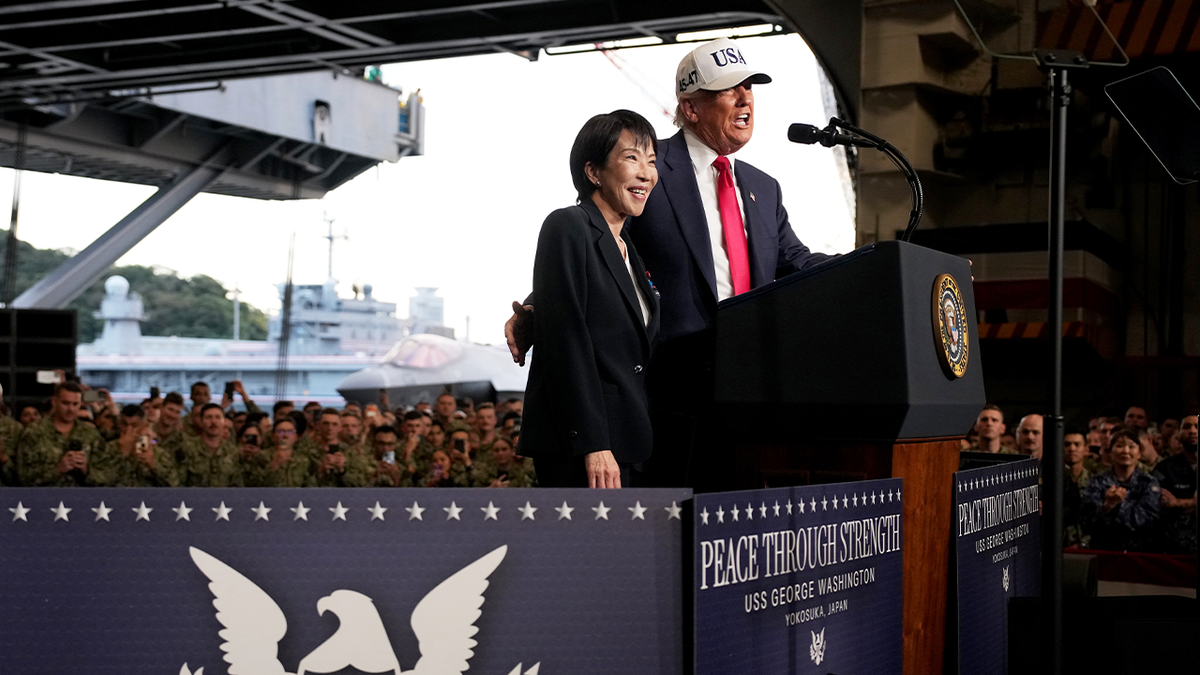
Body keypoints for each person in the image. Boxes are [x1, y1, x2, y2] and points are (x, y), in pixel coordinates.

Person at [508, 38, 830, 489]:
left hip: (743, 392)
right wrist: (537, 308)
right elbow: (592, 243)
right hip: (665, 398)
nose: (745, 99)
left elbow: (795, 260)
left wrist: (873, 267)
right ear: (691, 107)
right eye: (729, 89)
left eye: (750, 88)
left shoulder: (764, 187)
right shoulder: (645, 167)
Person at [518, 109, 661, 489]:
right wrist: (593, 444)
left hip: (628, 441)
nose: (646, 173)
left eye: (651, 161)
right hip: (583, 447)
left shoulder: (629, 247)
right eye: (632, 158)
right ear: (593, 172)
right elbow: (566, 342)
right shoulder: (567, 226)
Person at [1081, 427, 1161, 551]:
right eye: (1119, 446)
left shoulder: (1148, 483)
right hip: (1104, 551)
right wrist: (1106, 506)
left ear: (1139, 453)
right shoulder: (1097, 481)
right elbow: (1087, 523)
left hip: (1139, 553)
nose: (1125, 451)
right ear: (1111, 452)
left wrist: (1119, 505)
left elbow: (1148, 522)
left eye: (1131, 446)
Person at [15, 382, 106, 487]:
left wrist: (86, 470)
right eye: (65, 403)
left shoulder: (90, 434)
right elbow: (23, 476)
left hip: (82, 499)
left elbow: (105, 476)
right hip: (43, 499)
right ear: (55, 401)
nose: (70, 409)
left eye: (75, 404)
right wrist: (57, 470)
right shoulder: (35, 431)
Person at [92, 405, 178, 487]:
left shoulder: (156, 453)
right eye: (125, 424)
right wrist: (122, 454)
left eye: (134, 425)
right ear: (119, 425)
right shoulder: (107, 448)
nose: (128, 430)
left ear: (144, 426)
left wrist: (153, 465)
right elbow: (97, 481)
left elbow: (174, 485)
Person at [1152, 414, 1197, 553]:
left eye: (1197, 427)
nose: (1193, 431)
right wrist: (1193, 502)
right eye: (1187, 427)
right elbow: (1160, 503)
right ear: (1178, 433)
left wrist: (1177, 503)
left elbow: (1172, 504)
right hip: (1173, 544)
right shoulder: (1164, 468)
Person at [176, 403, 244, 487]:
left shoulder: (233, 452)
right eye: (208, 417)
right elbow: (179, 483)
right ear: (201, 421)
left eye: (217, 417)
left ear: (223, 421)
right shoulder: (187, 448)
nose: (213, 422)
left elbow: (237, 485)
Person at [247, 418, 314, 488]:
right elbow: (253, 485)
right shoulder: (261, 457)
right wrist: (273, 466)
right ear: (272, 436)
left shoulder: (303, 460)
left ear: (296, 437)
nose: (285, 436)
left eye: (290, 432)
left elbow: (309, 486)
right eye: (281, 432)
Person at [471, 436, 537, 488]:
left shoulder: (522, 473)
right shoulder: (484, 474)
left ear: (512, 451)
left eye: (504, 449)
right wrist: (490, 489)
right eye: (496, 450)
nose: (500, 453)